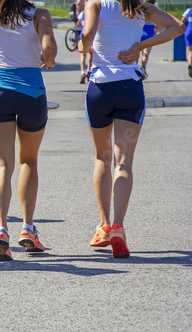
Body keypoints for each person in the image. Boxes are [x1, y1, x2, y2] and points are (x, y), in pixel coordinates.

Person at [79, 0, 185, 257]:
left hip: (100, 88)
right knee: (123, 162)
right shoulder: (140, 7)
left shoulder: (97, 4)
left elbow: (86, 38)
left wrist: (85, 44)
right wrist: (139, 46)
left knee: (102, 158)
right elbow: (178, 27)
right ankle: (119, 227)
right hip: (129, 87)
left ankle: (103, 226)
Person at [0, 0, 57, 261]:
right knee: (28, 160)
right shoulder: (39, 15)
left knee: (1, 165)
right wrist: (46, 58)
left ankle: (1, 231)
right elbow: (49, 50)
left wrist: (0, 52)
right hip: (31, 94)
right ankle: (28, 229)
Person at [139, 0, 156, 80]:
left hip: (140, 30)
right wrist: (156, 29)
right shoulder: (154, 9)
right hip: (150, 31)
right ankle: (143, 68)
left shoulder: (140, 8)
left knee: (137, 50)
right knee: (146, 53)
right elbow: (159, 23)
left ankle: (135, 69)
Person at [77, 8, 92, 83]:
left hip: (82, 37)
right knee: (90, 54)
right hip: (91, 36)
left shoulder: (82, 13)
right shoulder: (93, 11)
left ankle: (82, 72)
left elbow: (77, 25)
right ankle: (89, 70)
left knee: (83, 55)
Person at [181, 7, 192, 77]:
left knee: (190, 51)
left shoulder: (188, 10)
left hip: (189, 31)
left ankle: (190, 64)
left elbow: (182, 22)